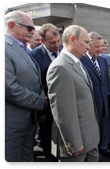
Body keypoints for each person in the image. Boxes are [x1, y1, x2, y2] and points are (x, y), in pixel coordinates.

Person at [46, 25, 100, 162]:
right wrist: (73, 143)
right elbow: (62, 112)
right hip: (77, 147)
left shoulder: (78, 63)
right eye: (86, 42)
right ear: (72, 39)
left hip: (90, 140)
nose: (88, 47)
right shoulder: (60, 67)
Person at [5, 10, 48, 162]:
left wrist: (41, 97)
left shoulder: (21, 47)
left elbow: (34, 78)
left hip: (28, 122)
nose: (33, 32)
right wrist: (40, 102)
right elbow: (8, 88)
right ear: (11, 25)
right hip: (12, 124)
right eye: (29, 28)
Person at [30, 23, 61, 162]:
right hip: (46, 108)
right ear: (42, 41)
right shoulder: (33, 56)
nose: (57, 45)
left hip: (64, 105)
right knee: (48, 138)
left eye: (58, 41)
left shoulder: (63, 51)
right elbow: (35, 85)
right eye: (52, 43)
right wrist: (41, 111)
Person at [80, 32, 110, 161]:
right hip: (90, 104)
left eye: (102, 46)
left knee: (104, 127)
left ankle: (103, 147)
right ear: (88, 46)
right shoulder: (81, 61)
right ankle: (93, 153)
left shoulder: (103, 60)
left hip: (104, 101)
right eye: (97, 47)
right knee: (92, 131)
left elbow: (105, 81)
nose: (101, 49)